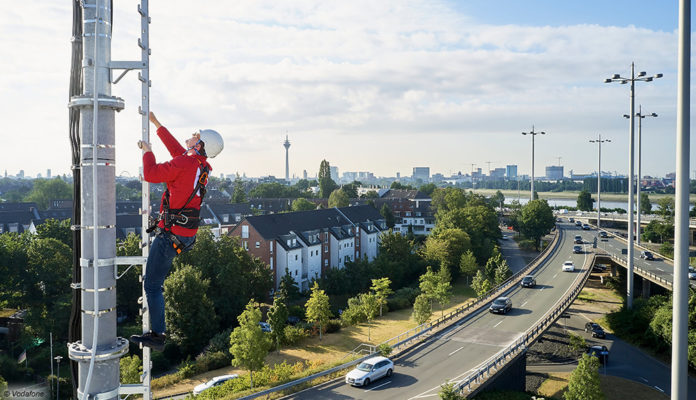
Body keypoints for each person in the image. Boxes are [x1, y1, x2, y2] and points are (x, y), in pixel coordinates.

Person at [130, 111, 223, 351]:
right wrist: (157, 124)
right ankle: (157, 332)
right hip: (183, 235)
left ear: (200, 144)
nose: (191, 135)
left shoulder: (187, 162)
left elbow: (150, 174)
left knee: (152, 285)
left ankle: (158, 335)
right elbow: (177, 152)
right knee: (154, 283)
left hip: (170, 235)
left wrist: (147, 151)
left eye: (195, 135)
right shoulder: (201, 166)